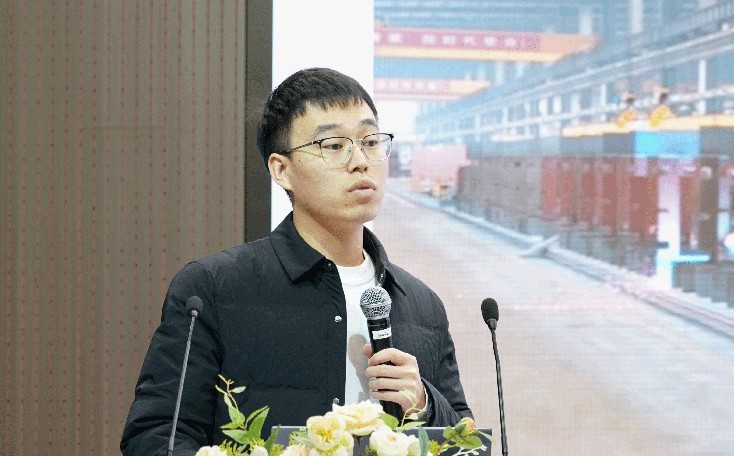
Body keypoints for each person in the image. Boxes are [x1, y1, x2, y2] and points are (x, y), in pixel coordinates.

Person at [120, 68, 472, 455]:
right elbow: (157, 435)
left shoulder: (421, 303)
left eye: (371, 141)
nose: (361, 161)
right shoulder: (214, 289)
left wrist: (423, 403)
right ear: (281, 169)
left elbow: (467, 443)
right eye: (334, 145)